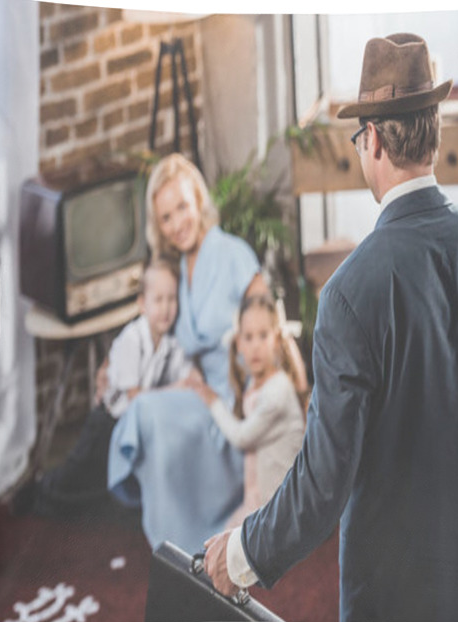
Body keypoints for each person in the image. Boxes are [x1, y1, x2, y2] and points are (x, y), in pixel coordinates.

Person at [203, 33, 458, 622]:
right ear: (433, 130)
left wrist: (241, 554)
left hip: (390, 609)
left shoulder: (348, 293)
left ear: (371, 139)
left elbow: (322, 486)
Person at [106, 154, 307, 555]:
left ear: (199, 200)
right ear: (158, 227)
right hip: (201, 390)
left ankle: (188, 533)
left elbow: (272, 329)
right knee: (143, 411)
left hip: (241, 395)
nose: (178, 223)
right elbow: (154, 327)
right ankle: (170, 536)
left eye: (182, 207)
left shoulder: (233, 255)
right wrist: (108, 367)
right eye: (166, 217)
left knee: (146, 413)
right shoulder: (176, 272)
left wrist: (278, 392)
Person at [12, 256, 192, 516]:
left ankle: (86, 502)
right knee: (75, 472)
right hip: (107, 422)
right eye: (158, 300)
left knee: (99, 484)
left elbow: (183, 376)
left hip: (127, 427)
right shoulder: (133, 338)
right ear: (142, 304)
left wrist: (186, 384)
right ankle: (38, 494)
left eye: (171, 299)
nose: (166, 308)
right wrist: (177, 388)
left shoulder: (168, 343)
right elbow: (136, 398)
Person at [185, 292, 305, 529]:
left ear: (277, 339)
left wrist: (212, 401)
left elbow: (241, 437)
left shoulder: (278, 391)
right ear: (238, 343)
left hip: (278, 506)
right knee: (215, 544)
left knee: (223, 551)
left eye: (263, 336)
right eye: (248, 337)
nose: (255, 346)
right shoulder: (255, 384)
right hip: (257, 497)